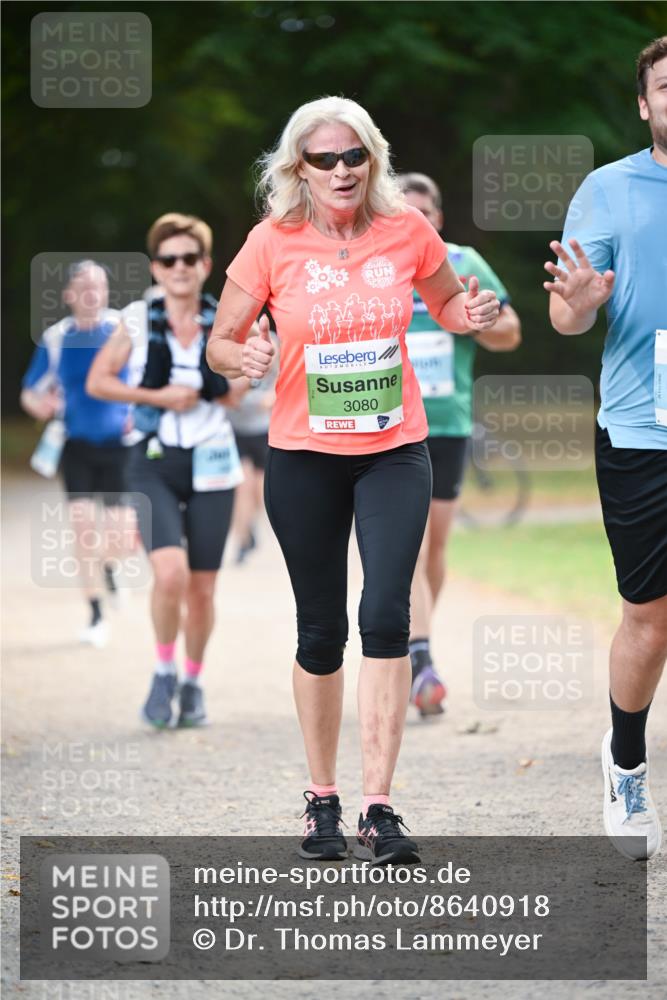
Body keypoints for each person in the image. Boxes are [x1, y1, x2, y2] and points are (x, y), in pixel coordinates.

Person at [207, 96, 500, 863]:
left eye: (352, 155)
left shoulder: (406, 230)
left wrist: (470, 311)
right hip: (302, 455)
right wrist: (239, 359)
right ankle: (322, 798)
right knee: (320, 630)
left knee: (385, 615)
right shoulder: (270, 243)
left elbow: (448, 304)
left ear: (371, 158)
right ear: (297, 169)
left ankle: (378, 804)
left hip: (393, 449)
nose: (340, 170)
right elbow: (220, 341)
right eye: (322, 158)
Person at [545, 37, 667, 860]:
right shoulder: (608, 189)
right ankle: (625, 763)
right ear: (643, 103)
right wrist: (582, 303)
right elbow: (565, 317)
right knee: (649, 620)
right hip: (641, 431)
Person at [87, 213, 246, 728]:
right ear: (156, 268)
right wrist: (156, 397)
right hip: (152, 459)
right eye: (168, 259)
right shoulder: (135, 319)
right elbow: (100, 382)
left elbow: (240, 391)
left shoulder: (225, 320)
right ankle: (162, 671)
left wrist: (228, 384)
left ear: (205, 265)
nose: (179, 268)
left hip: (214, 463)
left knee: (202, 588)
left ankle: (194, 681)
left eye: (189, 259)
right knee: (170, 573)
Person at [399, 173, 521, 715]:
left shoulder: (465, 263)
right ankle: (420, 657)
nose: (416, 221)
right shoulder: (378, 266)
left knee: (436, 549)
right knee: (413, 546)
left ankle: (413, 646)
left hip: (447, 423)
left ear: (438, 220)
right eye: (405, 212)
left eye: (425, 213)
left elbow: (511, 331)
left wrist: (473, 321)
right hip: (391, 425)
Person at [21, 260, 132, 648]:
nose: (91, 292)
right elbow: (30, 392)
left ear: (106, 292)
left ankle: (109, 565)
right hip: (77, 446)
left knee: (122, 536)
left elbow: (149, 375)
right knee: (84, 530)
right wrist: (41, 406)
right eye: (83, 285)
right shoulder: (56, 338)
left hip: (121, 446)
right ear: (68, 294)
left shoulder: (123, 330)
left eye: (98, 285)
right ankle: (96, 613)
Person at [228, 330, 278, 564]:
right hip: (236, 426)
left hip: (262, 428)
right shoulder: (227, 345)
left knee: (259, 487)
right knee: (242, 484)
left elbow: (284, 377)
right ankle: (242, 538)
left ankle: (252, 527)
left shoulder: (273, 341)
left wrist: (272, 397)